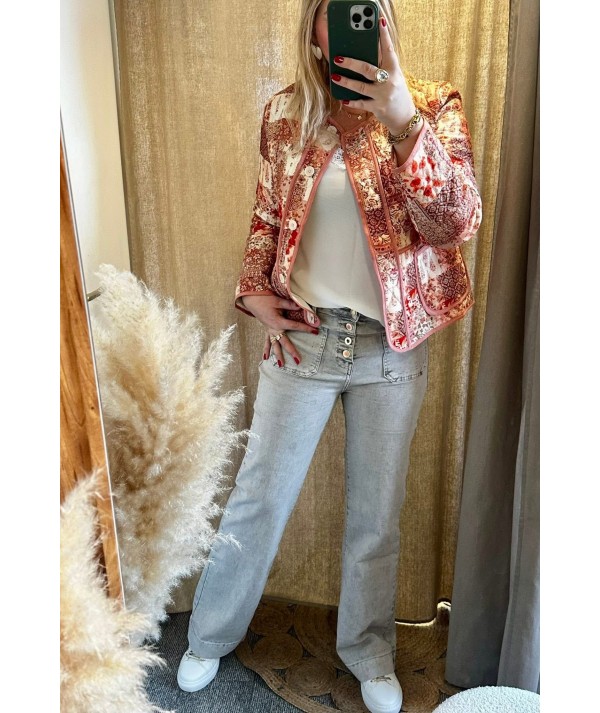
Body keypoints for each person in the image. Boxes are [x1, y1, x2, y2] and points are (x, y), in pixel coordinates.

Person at [177, 1, 482, 712]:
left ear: (385, 19)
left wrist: (404, 122)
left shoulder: (433, 106)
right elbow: (266, 214)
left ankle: (369, 652)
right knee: (259, 499)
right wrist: (251, 291)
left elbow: (456, 221)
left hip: (391, 347)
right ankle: (209, 635)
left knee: (377, 517)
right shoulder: (287, 113)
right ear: (316, 31)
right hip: (305, 336)